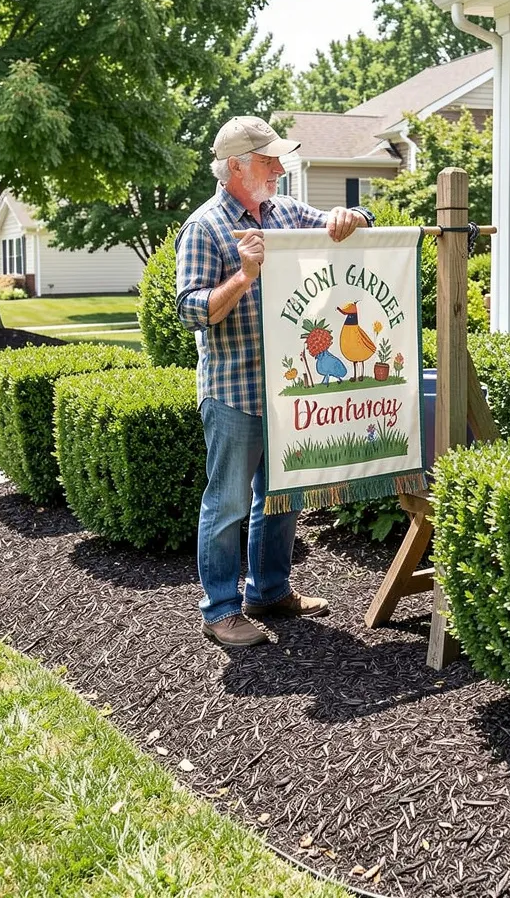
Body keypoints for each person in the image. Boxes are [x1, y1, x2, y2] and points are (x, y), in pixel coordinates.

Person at [176, 115, 373, 648]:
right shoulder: (206, 227)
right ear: (236, 167)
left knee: (283, 496)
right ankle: (220, 610)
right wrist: (243, 276)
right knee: (228, 505)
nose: (281, 168)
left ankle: (269, 590)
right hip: (235, 393)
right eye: (269, 161)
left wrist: (348, 215)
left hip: (288, 391)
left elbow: (359, 222)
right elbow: (192, 312)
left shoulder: (286, 213)